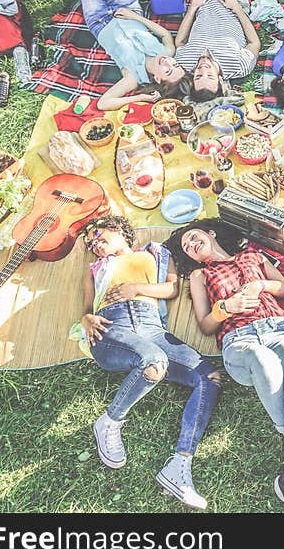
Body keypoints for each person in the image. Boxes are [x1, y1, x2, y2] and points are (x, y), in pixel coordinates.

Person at [164, 220, 284, 513]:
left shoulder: (254, 257)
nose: (192, 245)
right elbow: (205, 324)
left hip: (279, 328)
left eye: (193, 237)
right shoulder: (199, 275)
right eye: (187, 248)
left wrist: (261, 284)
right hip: (238, 339)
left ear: (210, 233)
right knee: (264, 362)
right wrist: (225, 308)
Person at [74, 215, 221, 510]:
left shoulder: (154, 254)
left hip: (151, 326)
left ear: (119, 230)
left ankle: (179, 467)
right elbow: (87, 308)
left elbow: (171, 289)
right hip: (111, 327)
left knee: (209, 377)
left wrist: (137, 289)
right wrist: (86, 318)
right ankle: (109, 422)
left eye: (99, 234)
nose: (94, 242)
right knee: (153, 362)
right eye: (90, 242)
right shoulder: (93, 269)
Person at [30, 0, 191, 111]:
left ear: (157, 79)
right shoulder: (167, 52)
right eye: (175, 64)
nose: (169, 62)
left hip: (98, 19)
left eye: (169, 70)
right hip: (128, 7)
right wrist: (133, 16)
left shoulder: (133, 77)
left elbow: (103, 103)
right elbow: (164, 34)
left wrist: (141, 97)